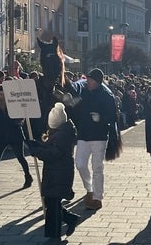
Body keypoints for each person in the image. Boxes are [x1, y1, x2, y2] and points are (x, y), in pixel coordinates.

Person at [25, 102, 80, 239]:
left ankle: (54, 236)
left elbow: (53, 153)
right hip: (56, 172)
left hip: (59, 173)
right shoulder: (61, 132)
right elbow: (49, 148)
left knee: (53, 205)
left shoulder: (62, 135)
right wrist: (37, 145)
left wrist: (36, 150)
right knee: (51, 202)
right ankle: (69, 218)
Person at [69, 68, 117, 210]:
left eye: (90, 80)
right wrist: (69, 102)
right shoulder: (83, 92)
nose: (88, 82)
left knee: (97, 167)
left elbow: (114, 117)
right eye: (88, 79)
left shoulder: (107, 95)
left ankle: (97, 197)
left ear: (97, 81)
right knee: (80, 164)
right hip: (83, 134)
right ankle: (89, 189)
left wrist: (101, 118)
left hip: (99, 136)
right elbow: (75, 107)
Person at [0, 85, 33, 193]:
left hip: (15, 135)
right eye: (0, 94)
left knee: (20, 157)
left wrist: (18, 120)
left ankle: (28, 177)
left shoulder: (14, 107)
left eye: (3, 94)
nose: (1, 97)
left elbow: (20, 120)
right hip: (0, 137)